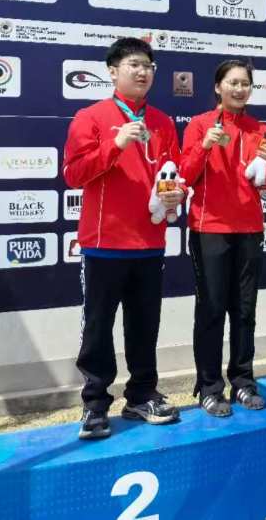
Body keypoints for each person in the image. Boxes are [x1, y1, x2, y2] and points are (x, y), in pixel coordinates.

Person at [63, 37, 185, 440]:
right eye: (134, 64)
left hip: (149, 243)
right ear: (113, 71)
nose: (142, 71)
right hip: (104, 243)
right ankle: (95, 404)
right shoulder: (91, 117)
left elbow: (173, 174)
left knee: (144, 325)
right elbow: (74, 174)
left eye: (148, 65)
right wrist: (115, 145)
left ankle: (142, 395)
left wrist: (176, 193)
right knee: (98, 327)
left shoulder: (163, 122)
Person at [180, 60, 266, 415]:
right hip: (209, 228)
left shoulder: (260, 129)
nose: (239, 89)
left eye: (245, 84)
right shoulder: (199, 125)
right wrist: (204, 146)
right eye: (233, 83)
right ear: (217, 87)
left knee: (244, 310)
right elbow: (185, 175)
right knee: (211, 310)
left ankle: (242, 381)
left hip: (249, 230)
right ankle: (209, 387)